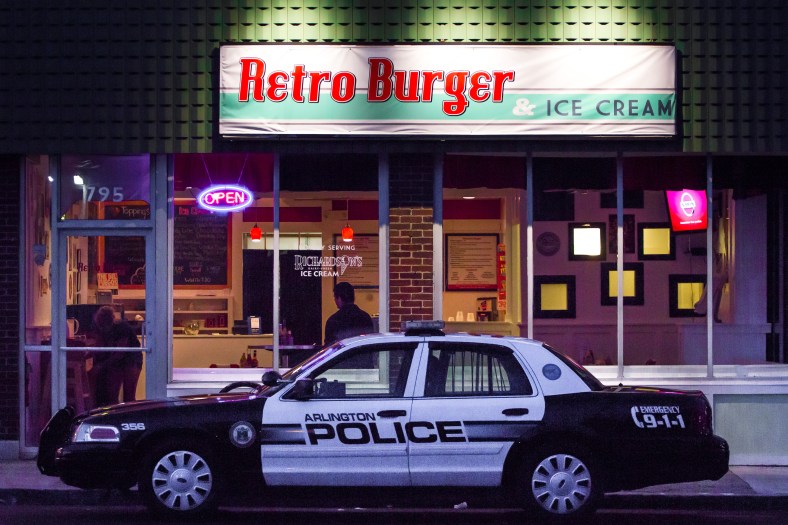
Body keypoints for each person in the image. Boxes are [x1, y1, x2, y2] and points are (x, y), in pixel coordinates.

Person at [91, 305, 142, 406]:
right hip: (118, 361)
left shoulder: (122, 327)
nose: (102, 328)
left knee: (128, 394)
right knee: (113, 394)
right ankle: (117, 415)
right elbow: (100, 346)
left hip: (132, 359)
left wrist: (101, 365)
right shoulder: (104, 328)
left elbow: (120, 353)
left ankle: (128, 416)